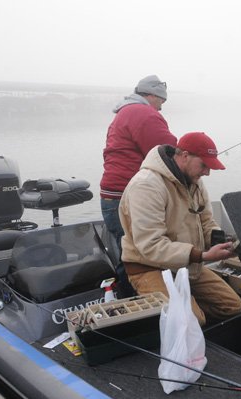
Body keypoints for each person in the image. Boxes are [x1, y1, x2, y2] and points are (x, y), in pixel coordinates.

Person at [119, 132, 241, 325]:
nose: (207, 173)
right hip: (149, 267)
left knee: (232, 306)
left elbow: (207, 223)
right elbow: (151, 245)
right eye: (204, 165)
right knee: (193, 320)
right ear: (184, 156)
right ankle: (177, 317)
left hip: (185, 265)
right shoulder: (146, 185)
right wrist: (201, 256)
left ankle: (183, 312)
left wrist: (229, 243)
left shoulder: (195, 182)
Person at [99, 75, 177, 295]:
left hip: (113, 196)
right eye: (161, 101)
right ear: (152, 95)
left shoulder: (124, 113)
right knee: (140, 258)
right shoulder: (143, 113)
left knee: (128, 255)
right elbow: (167, 152)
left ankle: (126, 303)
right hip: (129, 197)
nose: (161, 108)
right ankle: (142, 308)